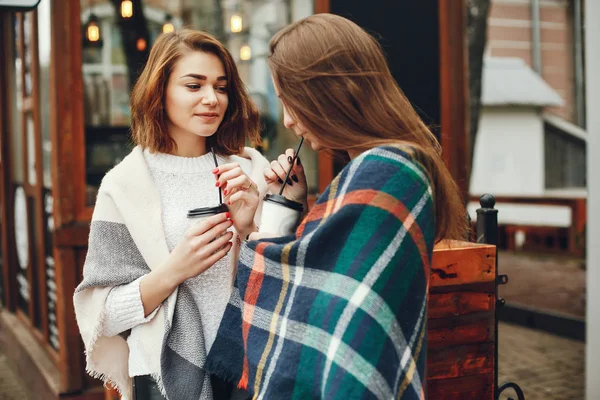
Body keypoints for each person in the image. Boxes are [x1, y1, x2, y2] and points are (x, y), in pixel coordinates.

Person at [205, 14, 468, 400]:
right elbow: (318, 284)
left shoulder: (389, 172)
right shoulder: (378, 168)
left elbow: (346, 318)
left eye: (291, 103)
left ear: (331, 92)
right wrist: (290, 207)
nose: (290, 121)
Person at [73, 30, 270, 400]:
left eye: (221, 87)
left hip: (253, 365)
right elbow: (103, 316)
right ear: (159, 92)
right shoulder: (125, 185)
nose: (212, 99)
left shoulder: (251, 170)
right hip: (167, 376)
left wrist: (252, 227)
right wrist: (174, 271)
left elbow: (285, 280)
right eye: (194, 86)